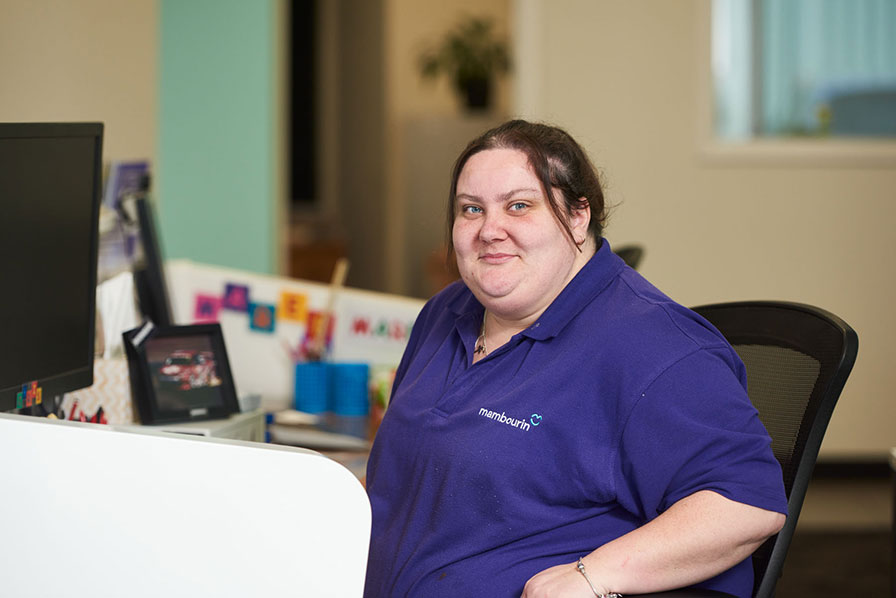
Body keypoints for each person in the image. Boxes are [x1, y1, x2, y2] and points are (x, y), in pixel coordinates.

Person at [363, 120, 787, 598]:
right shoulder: (446, 311)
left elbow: (747, 504)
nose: (489, 230)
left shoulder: (657, 347)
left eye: (519, 206)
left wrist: (593, 575)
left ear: (579, 216)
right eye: (471, 209)